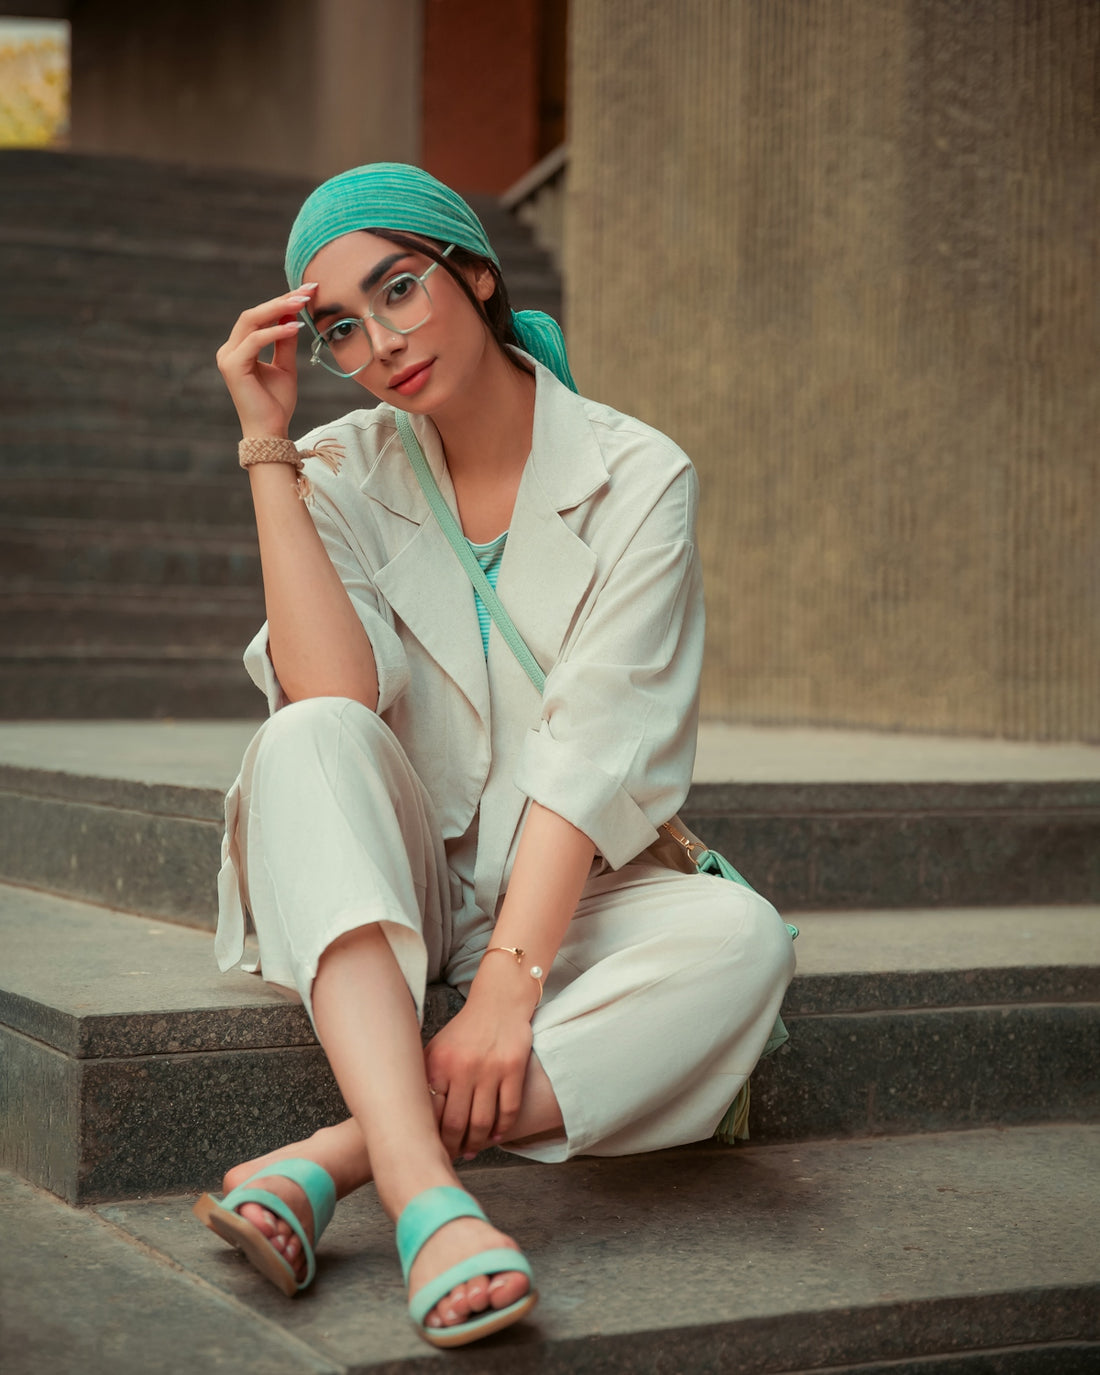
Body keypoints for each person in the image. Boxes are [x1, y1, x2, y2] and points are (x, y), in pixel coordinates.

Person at [192, 162, 795, 1350]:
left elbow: (595, 749)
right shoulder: (343, 464)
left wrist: (510, 989)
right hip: (398, 872)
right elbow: (333, 692)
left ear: (472, 272)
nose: (380, 342)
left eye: (398, 288)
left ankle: (339, 1156)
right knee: (307, 733)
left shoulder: (636, 475)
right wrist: (268, 446)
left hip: (569, 898)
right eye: (339, 328)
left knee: (741, 943)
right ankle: (429, 1198)